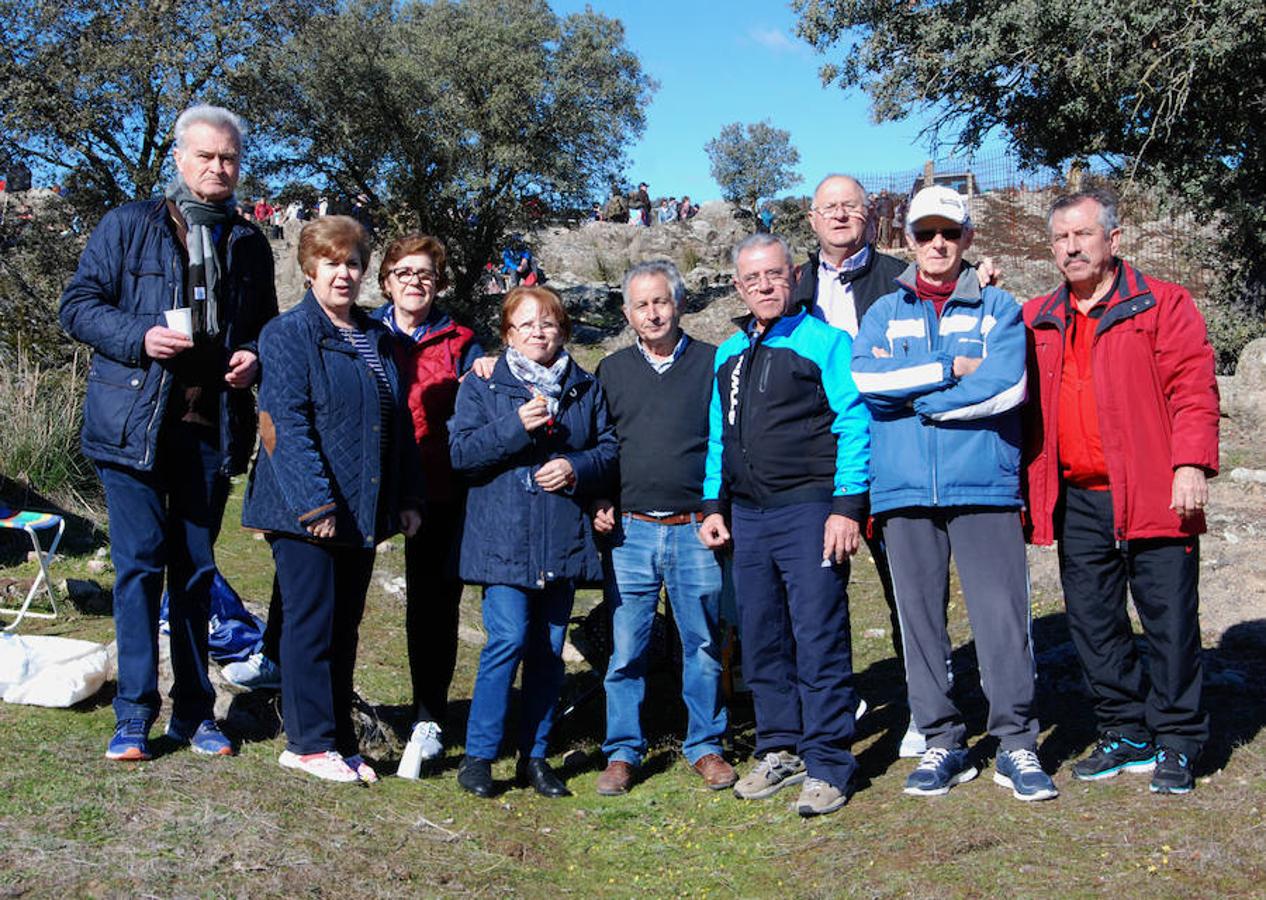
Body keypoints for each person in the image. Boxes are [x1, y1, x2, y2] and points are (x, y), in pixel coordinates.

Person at [59, 104, 278, 761]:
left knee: (195, 572)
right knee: (138, 568)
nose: (219, 168)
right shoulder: (129, 226)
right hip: (131, 427)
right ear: (179, 160)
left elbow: (266, 328)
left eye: (230, 158)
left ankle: (194, 713)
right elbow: (79, 305)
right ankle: (133, 715)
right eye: (207, 156)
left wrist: (255, 358)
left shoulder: (248, 242)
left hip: (210, 432)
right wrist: (137, 336)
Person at [850, 185, 1057, 802]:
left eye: (949, 233)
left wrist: (921, 400)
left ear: (968, 238)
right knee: (919, 625)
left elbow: (1005, 386)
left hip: (983, 486)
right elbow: (867, 379)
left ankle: (1017, 743)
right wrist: (947, 370)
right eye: (924, 233)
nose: (937, 244)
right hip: (904, 491)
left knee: (1001, 619)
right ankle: (942, 740)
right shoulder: (884, 312)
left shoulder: (999, 307)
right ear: (906, 241)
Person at [1023, 188, 1219, 795]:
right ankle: (1124, 730)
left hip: (1156, 490)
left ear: (1114, 239)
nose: (1072, 247)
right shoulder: (1038, 316)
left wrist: (1190, 464)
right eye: (1061, 237)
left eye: (1083, 235)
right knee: (1094, 622)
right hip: (1078, 497)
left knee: (1169, 622)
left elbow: (1193, 387)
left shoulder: (1161, 304)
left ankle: (1179, 739)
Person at [240, 216, 423, 783]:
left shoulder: (375, 337)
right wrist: (316, 506)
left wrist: (404, 497)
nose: (343, 273)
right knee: (310, 625)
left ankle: (339, 741)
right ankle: (307, 741)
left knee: (344, 626)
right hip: (307, 511)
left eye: (352, 263)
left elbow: (395, 427)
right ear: (308, 268)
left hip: (361, 507)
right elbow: (281, 425)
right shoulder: (287, 334)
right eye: (331, 262)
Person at [700, 233, 870, 817]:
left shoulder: (826, 343)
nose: (765, 286)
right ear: (738, 287)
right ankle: (780, 747)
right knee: (762, 635)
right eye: (753, 279)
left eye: (774, 275)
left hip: (808, 509)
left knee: (817, 633)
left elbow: (853, 422)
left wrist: (847, 508)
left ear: (794, 276)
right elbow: (719, 438)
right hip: (747, 515)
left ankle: (828, 762)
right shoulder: (727, 353)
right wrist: (712, 506)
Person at [450, 286, 617, 799]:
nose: (538, 333)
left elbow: (609, 449)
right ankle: (479, 758)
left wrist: (576, 467)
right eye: (526, 325)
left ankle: (536, 757)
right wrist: (512, 428)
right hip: (504, 539)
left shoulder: (585, 387)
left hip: (561, 538)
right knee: (505, 641)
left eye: (548, 324)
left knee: (548, 650)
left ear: (562, 331)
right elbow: (461, 454)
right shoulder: (483, 385)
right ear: (508, 335)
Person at [590, 260, 735, 796]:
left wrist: (717, 507)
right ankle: (623, 751)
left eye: (662, 301)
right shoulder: (612, 370)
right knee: (627, 646)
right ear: (628, 314)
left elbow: (723, 443)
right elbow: (600, 445)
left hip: (695, 526)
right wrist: (600, 497)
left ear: (679, 304)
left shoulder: (713, 363)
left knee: (700, 643)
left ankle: (705, 745)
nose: (653, 313)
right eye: (642, 305)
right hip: (630, 532)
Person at [791, 173, 921, 758]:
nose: (840, 216)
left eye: (850, 206)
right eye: (829, 208)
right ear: (811, 218)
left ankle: (926, 705)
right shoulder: (790, 286)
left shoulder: (903, 278)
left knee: (909, 587)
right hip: (821, 462)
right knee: (821, 593)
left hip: (893, 452)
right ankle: (836, 703)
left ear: (868, 214)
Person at [370, 233, 484, 774]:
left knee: (433, 606)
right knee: (337, 593)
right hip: (368, 481)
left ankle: (428, 715)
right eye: (405, 272)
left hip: (439, 485)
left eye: (427, 274)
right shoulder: (362, 331)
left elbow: (481, 405)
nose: (416, 282)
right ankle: (327, 705)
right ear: (386, 280)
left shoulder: (462, 340)